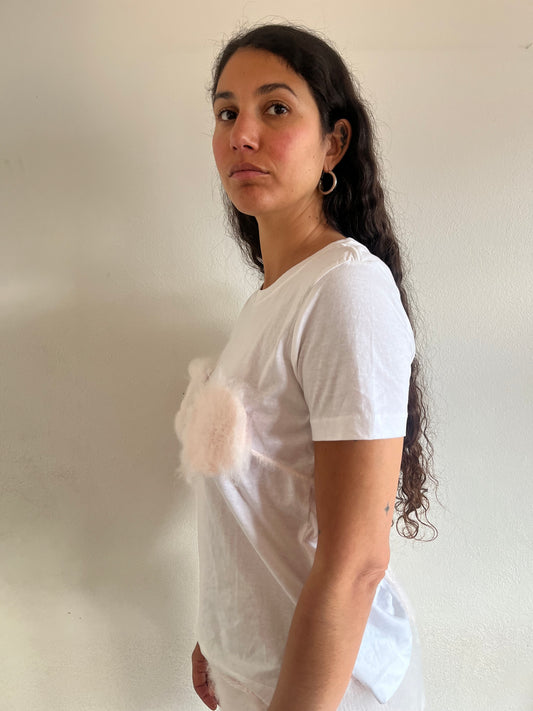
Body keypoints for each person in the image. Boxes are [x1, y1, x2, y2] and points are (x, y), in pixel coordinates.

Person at [174, 22, 437, 711]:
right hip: (262, 677)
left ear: (334, 144)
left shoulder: (344, 289)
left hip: (330, 691)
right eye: (226, 113)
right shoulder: (269, 301)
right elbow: (264, 502)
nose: (242, 134)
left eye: (275, 108)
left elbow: (357, 564)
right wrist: (222, 635)